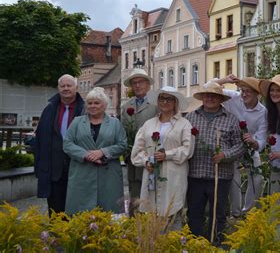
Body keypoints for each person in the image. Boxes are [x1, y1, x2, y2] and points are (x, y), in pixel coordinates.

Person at [185, 81, 244, 245]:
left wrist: (225, 154)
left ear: (220, 99)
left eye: (214, 95)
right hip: (195, 174)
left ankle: (215, 244)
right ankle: (194, 245)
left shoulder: (231, 120)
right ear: (202, 97)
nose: (210, 98)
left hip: (220, 176)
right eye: (207, 95)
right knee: (194, 213)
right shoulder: (190, 117)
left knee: (218, 214)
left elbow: (240, 146)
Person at [131, 86, 194, 230]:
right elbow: (137, 151)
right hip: (152, 174)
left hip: (173, 175)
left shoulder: (184, 124)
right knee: (153, 214)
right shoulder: (149, 124)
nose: (164, 102)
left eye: (169, 99)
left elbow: (188, 149)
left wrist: (167, 155)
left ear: (175, 102)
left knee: (172, 214)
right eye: (162, 98)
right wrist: (146, 161)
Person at [63, 87, 127, 215]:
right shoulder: (77, 122)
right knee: (81, 213)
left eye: (96, 103)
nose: (93, 106)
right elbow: (67, 144)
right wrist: (86, 154)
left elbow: (122, 144)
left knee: (108, 213)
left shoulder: (115, 123)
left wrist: (102, 152)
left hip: (108, 175)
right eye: (90, 103)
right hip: (82, 173)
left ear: (104, 105)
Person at [215, 74, 268, 217]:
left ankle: (249, 211)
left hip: (249, 147)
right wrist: (224, 80)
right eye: (242, 90)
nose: (243, 94)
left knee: (257, 177)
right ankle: (236, 213)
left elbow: (262, 139)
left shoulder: (263, 112)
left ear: (257, 94)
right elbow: (210, 87)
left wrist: (254, 141)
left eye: (247, 91)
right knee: (234, 178)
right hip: (231, 145)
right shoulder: (233, 97)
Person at [34, 74, 85, 216]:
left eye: (69, 85)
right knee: (55, 213)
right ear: (58, 88)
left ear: (76, 87)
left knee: (78, 212)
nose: (66, 88)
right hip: (54, 171)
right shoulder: (49, 110)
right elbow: (39, 140)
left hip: (78, 169)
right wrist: (39, 167)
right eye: (63, 86)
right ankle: (57, 238)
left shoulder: (85, 110)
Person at [121, 67, 158, 215]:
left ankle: (150, 226)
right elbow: (123, 130)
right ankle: (133, 225)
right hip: (132, 156)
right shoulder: (126, 106)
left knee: (151, 191)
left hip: (151, 156)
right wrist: (126, 151)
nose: (137, 85)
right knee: (134, 191)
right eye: (134, 83)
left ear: (148, 84)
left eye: (141, 82)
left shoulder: (156, 104)